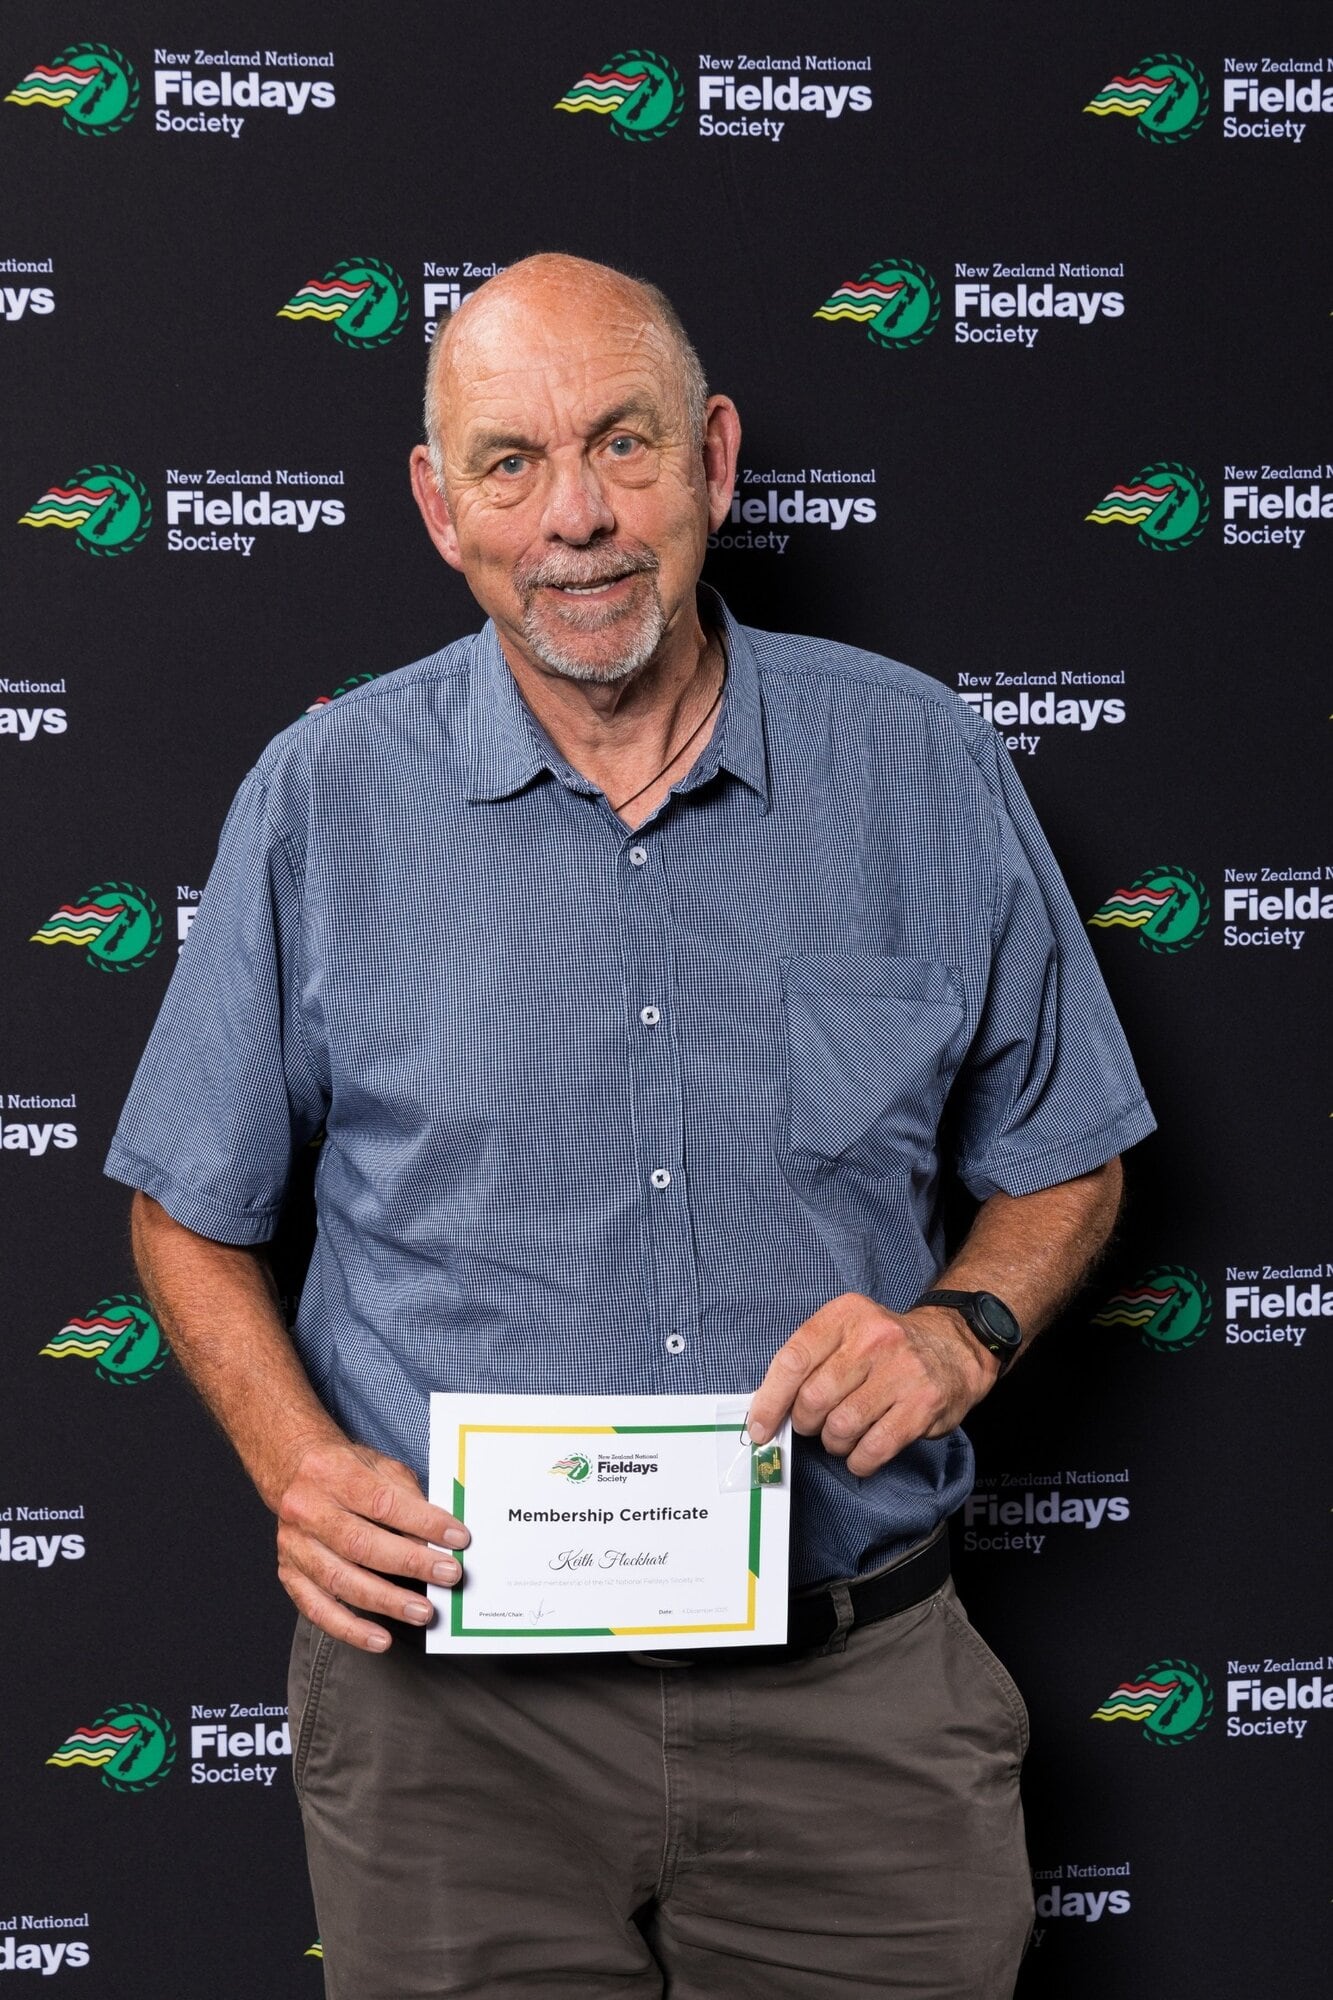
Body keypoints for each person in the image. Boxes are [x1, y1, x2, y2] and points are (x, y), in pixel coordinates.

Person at [107, 254, 1154, 1999]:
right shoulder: (324, 799)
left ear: (717, 462)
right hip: (454, 1736)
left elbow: (1065, 1153)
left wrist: (961, 1331)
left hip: (854, 1709)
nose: (576, 517)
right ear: (441, 510)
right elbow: (185, 1212)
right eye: (511, 464)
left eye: (625, 445)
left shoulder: (920, 768)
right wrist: (298, 1468)